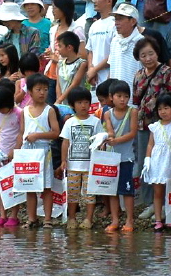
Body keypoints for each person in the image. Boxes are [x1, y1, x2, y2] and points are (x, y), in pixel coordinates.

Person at [132, 37, 171, 215]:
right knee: (147, 162)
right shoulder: (138, 75)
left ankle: (166, 202)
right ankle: (148, 201)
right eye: (143, 55)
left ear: (157, 53)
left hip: (163, 125)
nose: (148, 58)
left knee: (165, 163)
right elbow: (136, 100)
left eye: (150, 53)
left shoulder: (166, 72)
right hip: (144, 125)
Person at [60, 86, 103, 230]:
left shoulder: (95, 121)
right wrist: (63, 160)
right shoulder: (69, 122)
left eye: (86, 102)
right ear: (72, 105)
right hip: (73, 166)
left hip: (90, 165)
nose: (83, 105)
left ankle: (88, 219)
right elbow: (65, 142)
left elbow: (101, 141)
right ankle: (72, 218)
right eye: (79, 103)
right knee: (72, 193)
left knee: (90, 194)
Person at [141, 93, 171, 231]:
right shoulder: (154, 126)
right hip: (157, 162)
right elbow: (150, 144)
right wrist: (147, 159)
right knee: (158, 191)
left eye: (166, 108)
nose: (163, 112)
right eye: (160, 109)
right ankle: (158, 219)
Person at [21, 73, 60, 228]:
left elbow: (56, 132)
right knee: (29, 186)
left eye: (45, 89)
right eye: (38, 89)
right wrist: (16, 151)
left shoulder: (49, 110)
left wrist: (37, 135)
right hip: (28, 152)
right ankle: (32, 218)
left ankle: (48, 219)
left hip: (44, 151)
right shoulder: (24, 110)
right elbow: (21, 132)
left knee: (46, 186)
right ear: (30, 91)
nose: (42, 92)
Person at [102, 80, 138, 232]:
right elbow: (110, 130)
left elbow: (132, 133)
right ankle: (115, 220)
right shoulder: (107, 113)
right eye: (119, 96)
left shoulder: (133, 112)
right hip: (112, 158)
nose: (123, 99)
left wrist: (115, 140)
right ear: (111, 97)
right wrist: (110, 137)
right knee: (113, 190)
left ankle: (130, 220)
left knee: (127, 190)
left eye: (125, 96)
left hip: (126, 157)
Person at [0, 85, 24, 227]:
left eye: (3, 108)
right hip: (0, 156)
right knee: (1, 187)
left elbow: (21, 134)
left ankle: (14, 215)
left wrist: (14, 152)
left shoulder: (19, 113)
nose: (0, 111)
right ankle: (2, 215)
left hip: (14, 156)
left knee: (14, 186)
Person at [45, 0, 86, 103]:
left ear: (64, 9)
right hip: (51, 74)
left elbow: (82, 54)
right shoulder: (53, 29)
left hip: (68, 76)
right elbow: (53, 48)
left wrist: (60, 60)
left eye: (55, 8)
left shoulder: (76, 29)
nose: (53, 11)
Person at [86, 0, 118, 87]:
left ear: (109, 1)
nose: (94, 1)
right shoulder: (94, 25)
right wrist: (91, 68)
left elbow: (114, 54)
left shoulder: (116, 24)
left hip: (110, 78)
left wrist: (95, 69)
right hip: (95, 80)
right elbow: (90, 51)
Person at [109, 3, 144, 89]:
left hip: (134, 95)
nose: (116, 23)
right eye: (115, 19)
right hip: (116, 96)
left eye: (120, 19)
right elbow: (111, 69)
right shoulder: (115, 41)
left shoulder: (142, 43)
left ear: (133, 21)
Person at [56, 31, 87, 105]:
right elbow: (58, 84)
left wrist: (60, 100)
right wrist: (59, 100)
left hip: (76, 102)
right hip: (62, 102)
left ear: (69, 47)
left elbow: (74, 84)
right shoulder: (59, 64)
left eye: (60, 46)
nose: (58, 49)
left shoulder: (81, 64)